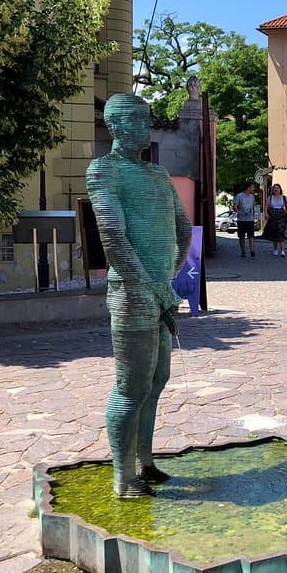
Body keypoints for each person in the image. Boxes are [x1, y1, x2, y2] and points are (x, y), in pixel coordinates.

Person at [86, 94, 192, 498]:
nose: (146, 129)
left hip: (159, 291)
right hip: (132, 294)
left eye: (146, 120)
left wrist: (169, 277)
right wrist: (152, 285)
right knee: (130, 386)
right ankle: (122, 476)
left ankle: (145, 462)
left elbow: (183, 229)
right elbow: (113, 237)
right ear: (114, 126)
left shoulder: (158, 175)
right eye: (136, 121)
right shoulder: (104, 171)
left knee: (157, 378)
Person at [264, 183, 287, 257]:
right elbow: (266, 207)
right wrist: (266, 214)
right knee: (274, 233)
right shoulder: (270, 198)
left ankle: (283, 250)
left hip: (281, 216)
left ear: (280, 189)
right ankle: (275, 250)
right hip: (273, 216)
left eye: (277, 188)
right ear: (273, 190)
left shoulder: (284, 197)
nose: (276, 189)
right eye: (274, 188)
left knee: (281, 232)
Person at [232, 182, 257, 258]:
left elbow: (253, 207)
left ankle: (252, 251)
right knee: (241, 236)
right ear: (248, 188)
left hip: (250, 220)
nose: (253, 189)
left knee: (251, 236)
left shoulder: (252, 196)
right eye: (252, 187)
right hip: (241, 220)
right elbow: (235, 206)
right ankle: (243, 251)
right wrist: (239, 212)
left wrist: (254, 217)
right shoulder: (239, 196)